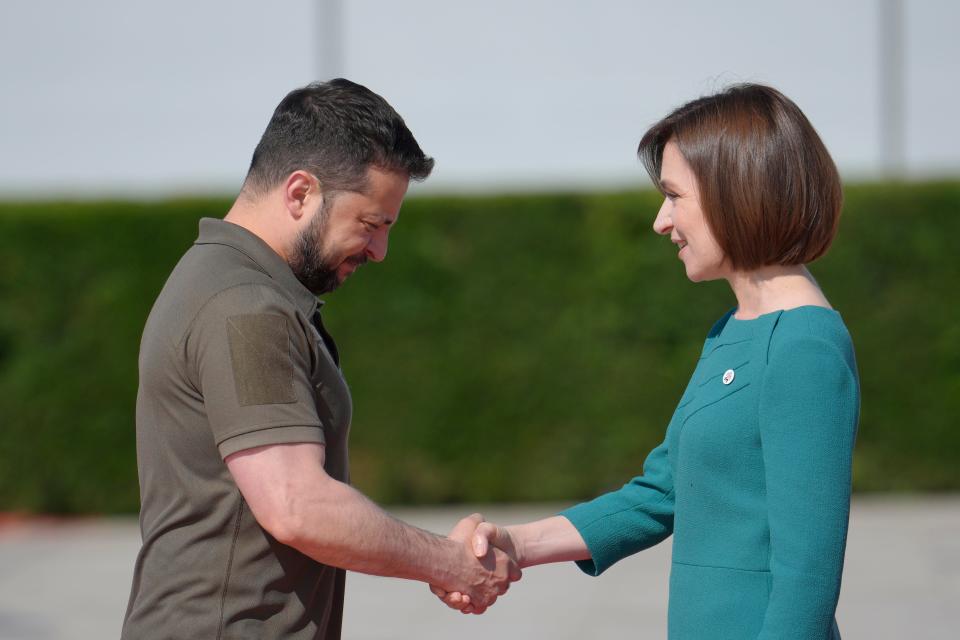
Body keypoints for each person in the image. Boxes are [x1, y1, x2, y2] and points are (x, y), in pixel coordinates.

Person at [433, 84, 860, 639]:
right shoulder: (734, 331)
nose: (661, 221)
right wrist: (515, 543)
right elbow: (662, 492)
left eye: (675, 196)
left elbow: (807, 578)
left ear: (739, 190)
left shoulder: (805, 348)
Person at [122, 79, 519, 640]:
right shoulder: (245, 307)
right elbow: (297, 505)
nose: (380, 251)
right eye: (372, 224)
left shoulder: (224, 282)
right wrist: (449, 563)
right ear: (301, 193)